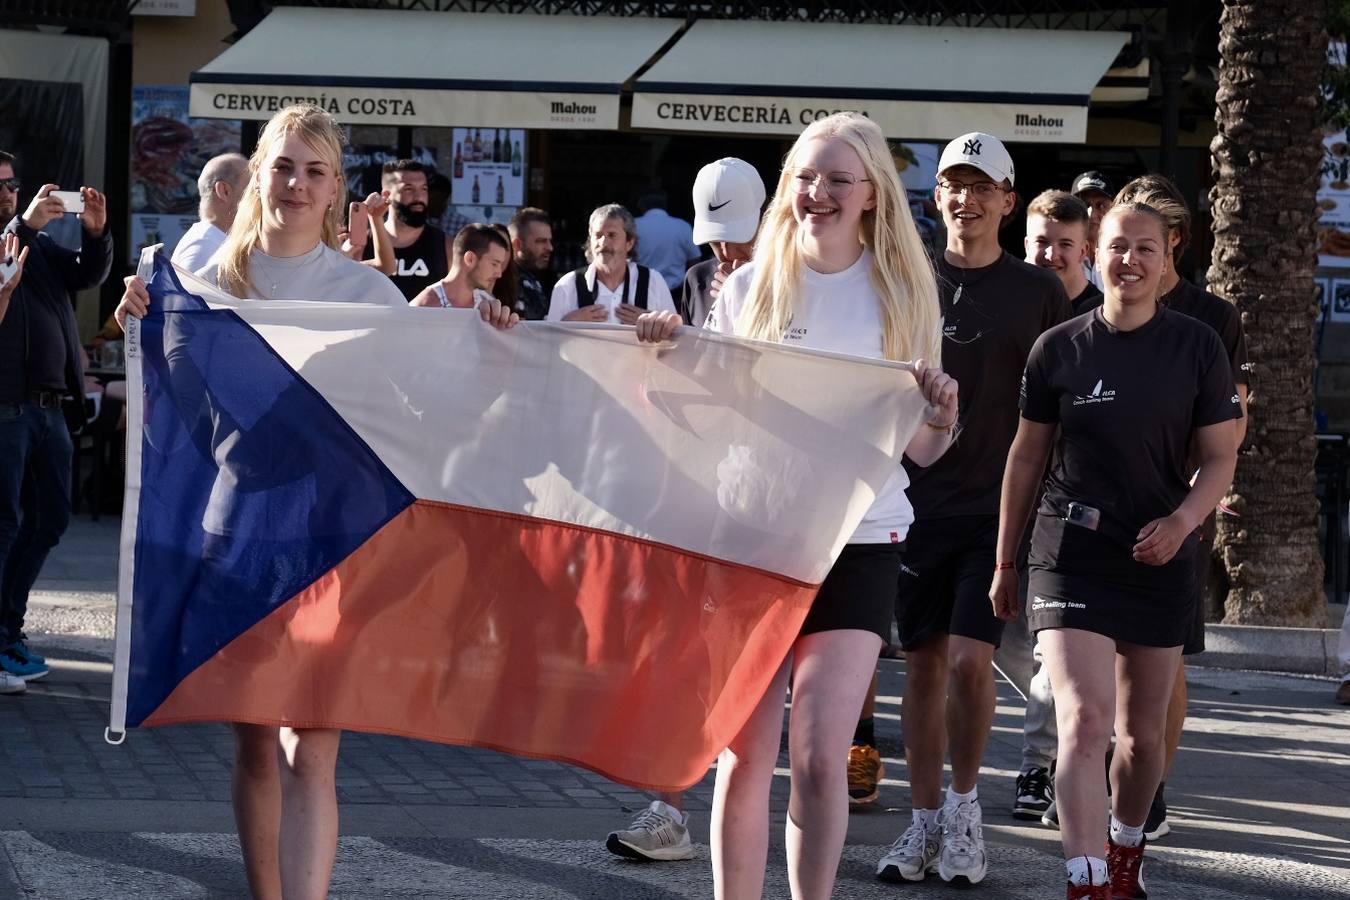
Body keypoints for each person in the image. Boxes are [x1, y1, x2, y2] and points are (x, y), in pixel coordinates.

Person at [115, 104, 517, 900]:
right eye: (283, 167)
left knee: (314, 748)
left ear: (336, 189)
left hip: (335, 542)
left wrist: (493, 352)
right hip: (238, 539)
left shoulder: (365, 293)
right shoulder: (204, 286)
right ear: (257, 176)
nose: (295, 184)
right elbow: (178, 421)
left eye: (314, 171)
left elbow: (426, 409)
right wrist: (140, 323)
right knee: (257, 746)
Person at [634, 111, 957, 900]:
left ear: (872, 194)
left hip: (859, 540)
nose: (818, 193)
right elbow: (708, 417)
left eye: (838, 179)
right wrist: (664, 363)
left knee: (817, 759)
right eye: (805, 177)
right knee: (742, 755)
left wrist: (944, 413)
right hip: (753, 540)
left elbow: (924, 450)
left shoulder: (903, 295)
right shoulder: (748, 286)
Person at [990, 201, 1240, 899]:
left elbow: (1221, 456)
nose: (1129, 260)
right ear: (1094, 255)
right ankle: (1086, 878)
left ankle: (1126, 850)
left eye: (1145, 248)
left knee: (1142, 737)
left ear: (1167, 258)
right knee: (1084, 719)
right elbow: (1025, 457)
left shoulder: (1198, 346)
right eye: (1117, 247)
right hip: (1070, 550)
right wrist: (1005, 561)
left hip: (1159, 554)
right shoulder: (1058, 348)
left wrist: (1183, 522)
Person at [872, 132, 1070, 887]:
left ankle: (963, 812)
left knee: (968, 661)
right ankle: (922, 822)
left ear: (1008, 201)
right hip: (911, 502)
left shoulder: (1038, 291)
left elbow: (1056, 405)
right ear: (937, 197)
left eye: (983, 187)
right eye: (955, 185)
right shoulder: (906, 276)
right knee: (921, 666)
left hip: (996, 509)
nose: (967, 199)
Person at [1112, 174, 1250, 841]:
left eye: (1154, 236)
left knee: (1164, 657)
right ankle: (1101, 773)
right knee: (1098, 654)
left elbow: (1233, 422)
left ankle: (1151, 786)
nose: (1135, 253)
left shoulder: (1213, 319)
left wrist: (1197, 499)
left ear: (1174, 241)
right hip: (1097, 507)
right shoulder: (1099, 301)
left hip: (1181, 507)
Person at [0, 151, 114, 684]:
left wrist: (96, 234)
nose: (7, 193)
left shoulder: (39, 247)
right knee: (5, 524)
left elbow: (87, 274)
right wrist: (24, 226)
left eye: (12, 184)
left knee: (49, 520)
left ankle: (7, 630)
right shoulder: (20, 239)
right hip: (7, 408)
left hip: (49, 408)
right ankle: (3, 640)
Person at [547, 204, 677, 325]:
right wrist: (567, 323)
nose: (603, 242)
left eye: (611, 235)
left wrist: (655, 324)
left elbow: (675, 335)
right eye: (598, 235)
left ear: (629, 243)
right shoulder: (567, 286)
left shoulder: (653, 282)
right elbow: (549, 338)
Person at [679, 158, 766, 328]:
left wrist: (747, 301)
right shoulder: (697, 279)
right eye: (715, 241)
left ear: (765, 218)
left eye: (739, 237)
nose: (727, 253)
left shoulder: (796, 277)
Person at [365, 159, 450, 301]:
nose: (418, 197)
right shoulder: (362, 244)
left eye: (424, 189)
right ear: (386, 195)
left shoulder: (446, 246)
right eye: (408, 189)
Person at [1025, 190, 1102, 314]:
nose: (1051, 256)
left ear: (1083, 251)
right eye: (1042, 242)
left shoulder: (1104, 315)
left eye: (1065, 244)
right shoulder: (1009, 303)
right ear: (1027, 246)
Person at [172, 153, 249, 273]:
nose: (258, 197)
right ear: (224, 191)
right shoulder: (205, 247)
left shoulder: (210, 241)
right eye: (250, 189)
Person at [410, 224, 510, 310]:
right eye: (494, 264)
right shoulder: (425, 305)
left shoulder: (489, 306)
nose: (499, 274)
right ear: (470, 259)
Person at [634, 189, 701, 292]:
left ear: (641, 206)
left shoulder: (634, 226)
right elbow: (695, 260)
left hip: (640, 291)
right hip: (676, 293)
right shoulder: (682, 226)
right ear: (665, 205)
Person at [508, 207, 554, 320]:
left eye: (549, 241)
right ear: (517, 244)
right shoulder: (506, 281)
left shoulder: (531, 279)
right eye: (541, 241)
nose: (550, 247)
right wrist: (567, 321)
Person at [1070, 171, 1113, 291]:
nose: (1090, 214)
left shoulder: (1123, 258)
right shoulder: (1059, 256)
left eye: (1101, 206)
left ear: (1113, 208)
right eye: (1083, 205)